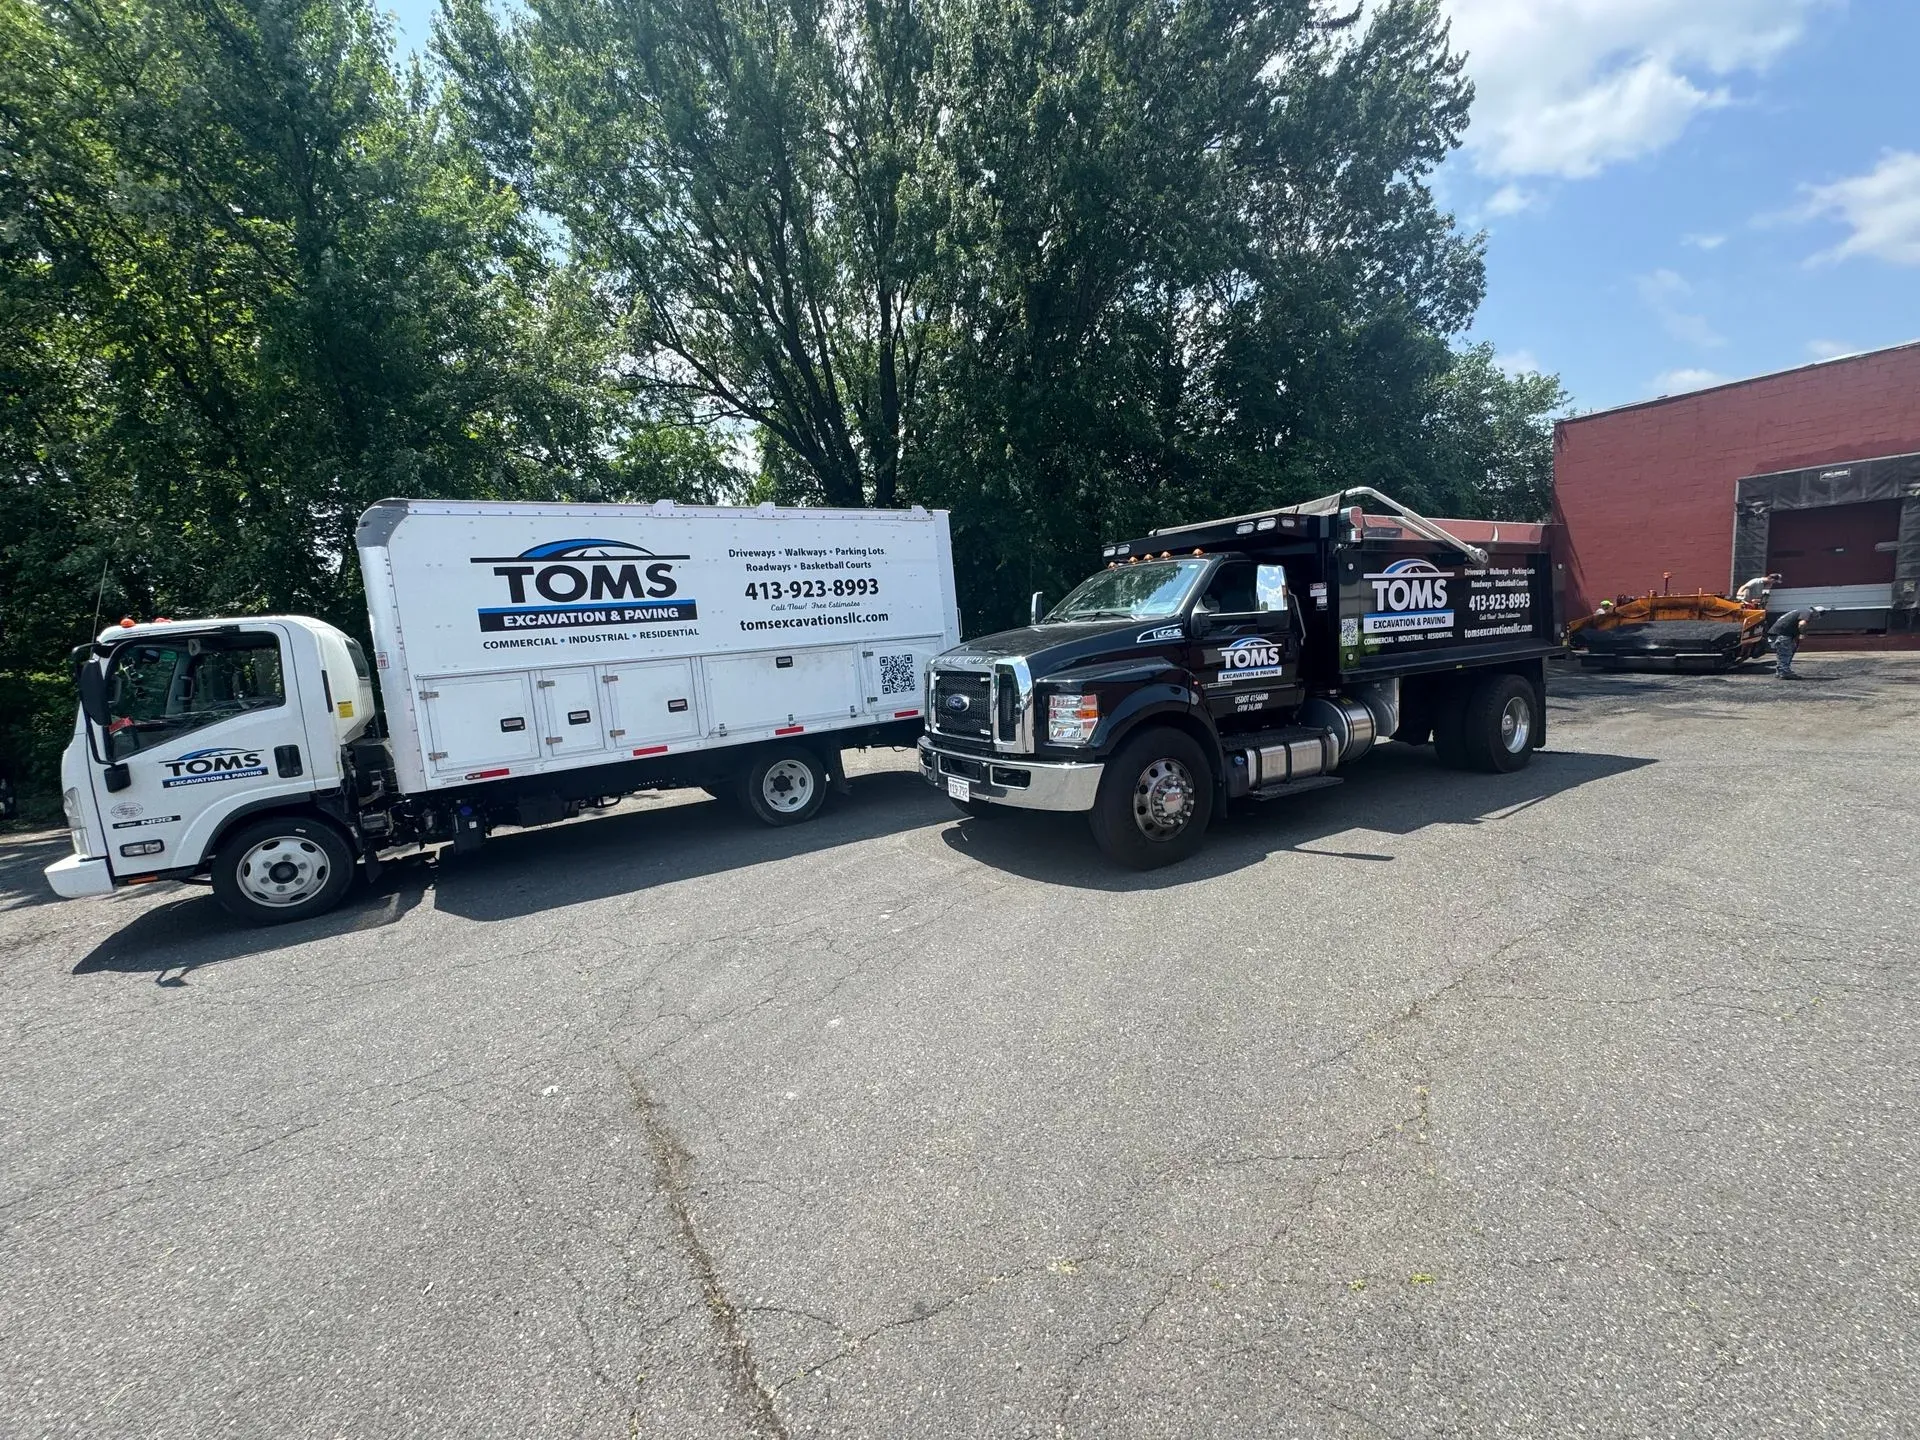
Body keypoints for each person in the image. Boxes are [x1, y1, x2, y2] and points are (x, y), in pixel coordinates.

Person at [1767, 605, 1818, 679]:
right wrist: (1802, 634)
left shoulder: (1800, 611)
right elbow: (1802, 624)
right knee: (1786, 653)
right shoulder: (1807, 613)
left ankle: (1781, 671)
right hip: (1783, 634)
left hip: (1777, 633)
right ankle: (1784, 672)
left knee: (1782, 653)